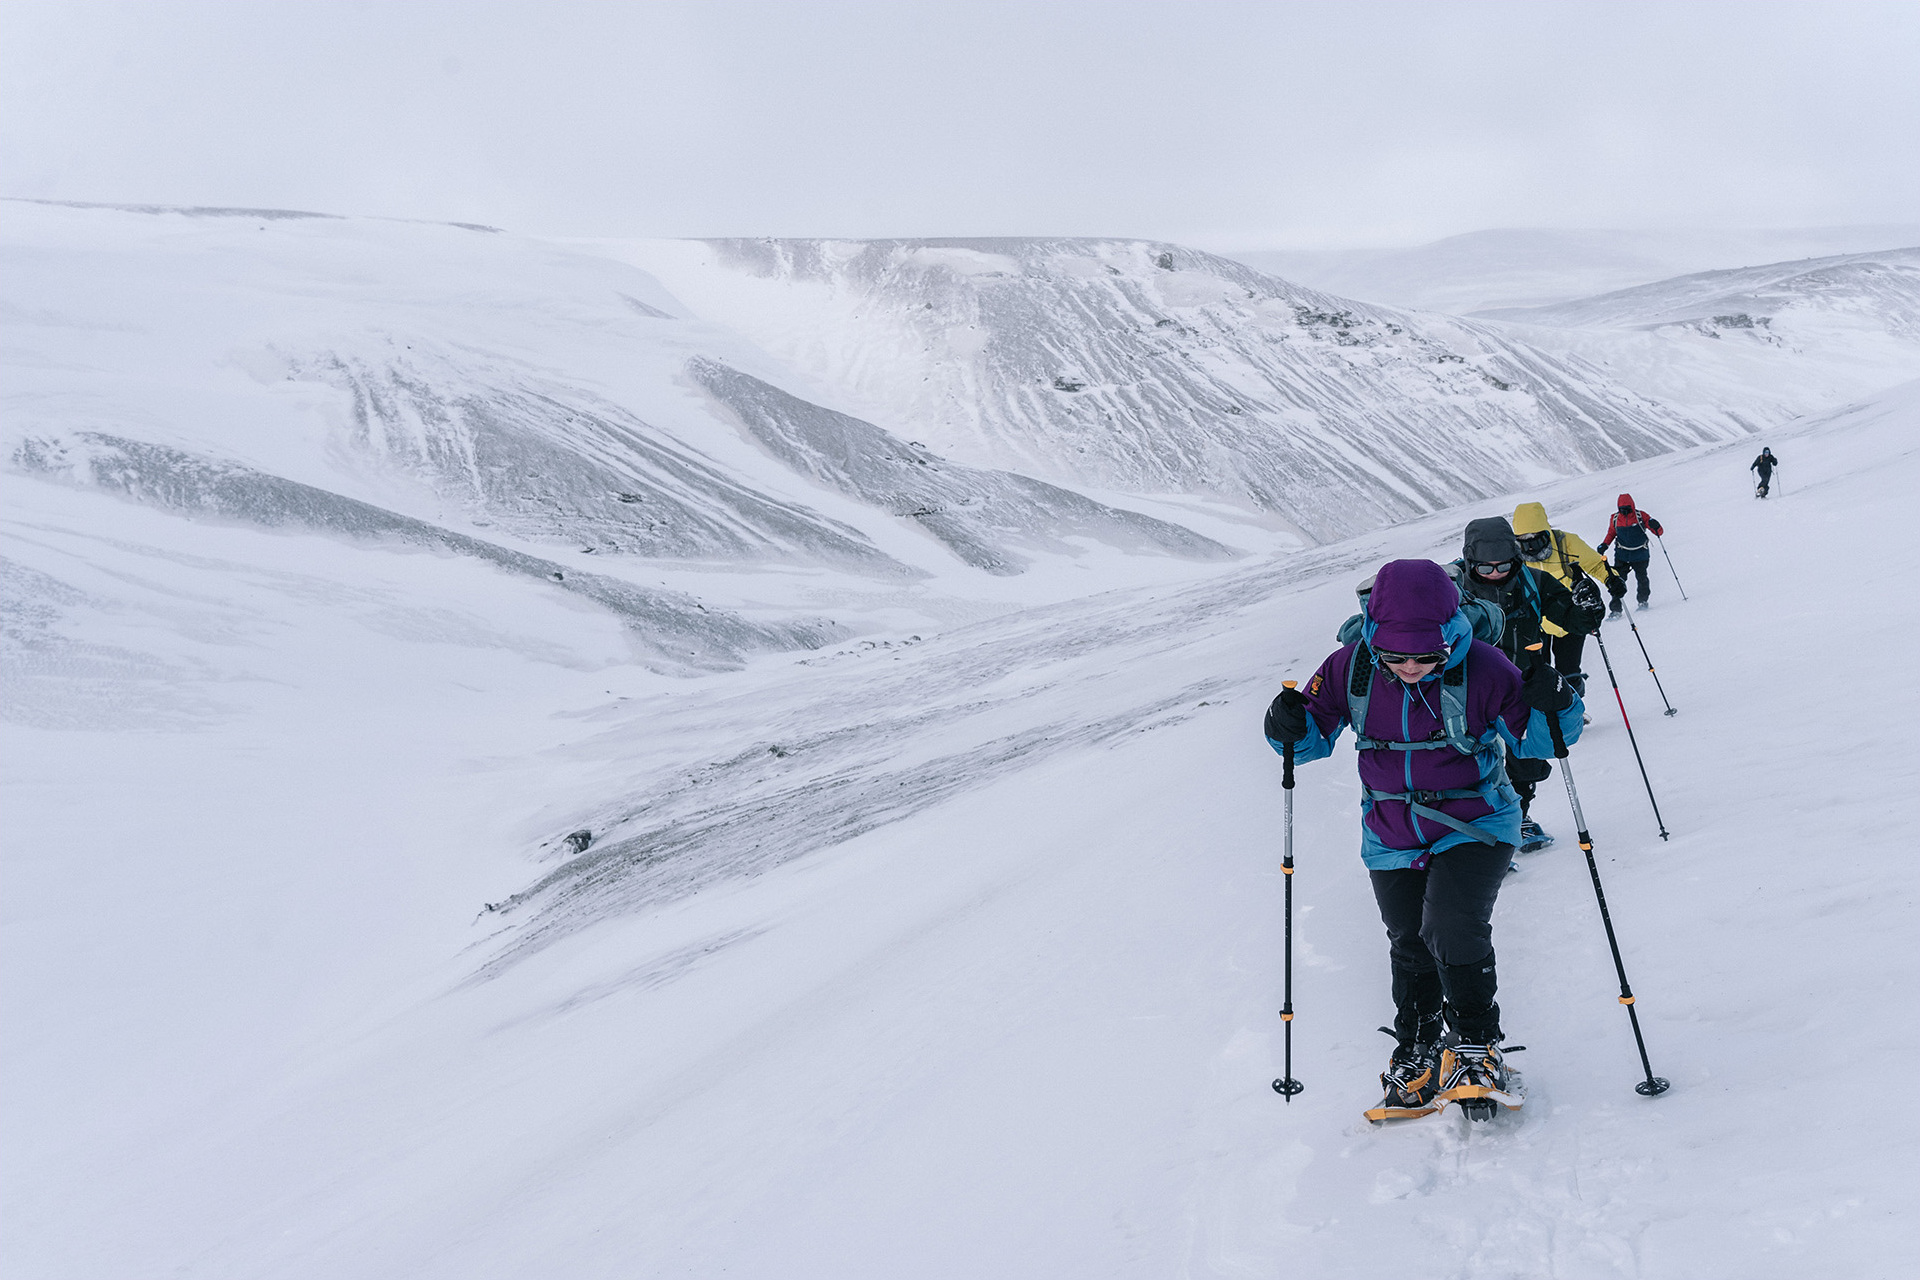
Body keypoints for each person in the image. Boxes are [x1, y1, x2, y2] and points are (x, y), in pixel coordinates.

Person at [1263, 559, 1584, 1120]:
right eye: (1397, 657)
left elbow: (1539, 743)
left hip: (1478, 823)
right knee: (1410, 941)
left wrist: (1557, 699)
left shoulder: (1484, 666)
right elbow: (1308, 743)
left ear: (1447, 635)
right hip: (1391, 832)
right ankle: (1416, 1048)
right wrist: (1283, 723)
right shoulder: (1351, 667)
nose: (1411, 667)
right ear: (1375, 637)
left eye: (1425, 657)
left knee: (1452, 928)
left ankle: (1477, 1047)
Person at [1451, 516, 1602, 852]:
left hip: (1521, 686)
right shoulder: (1449, 584)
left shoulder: (1534, 582)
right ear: (1469, 559)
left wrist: (1587, 609)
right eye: (1485, 568)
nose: (1495, 574)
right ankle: (1473, 832)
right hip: (1463, 692)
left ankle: (1519, 818)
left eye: (1503, 565)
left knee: (1527, 756)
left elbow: (1571, 619)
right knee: (1467, 760)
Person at [1510, 501, 1619, 693]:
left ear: (1546, 532)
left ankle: (1573, 711)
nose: (1531, 548)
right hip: (1536, 624)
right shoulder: (1513, 555)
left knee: (1569, 673)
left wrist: (1612, 579)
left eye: (1536, 540)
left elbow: (1594, 564)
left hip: (1569, 619)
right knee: (1537, 675)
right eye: (1524, 542)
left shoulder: (1566, 542)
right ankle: (1546, 717)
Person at [1595, 494, 1664, 612]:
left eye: (1627, 508)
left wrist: (1656, 526)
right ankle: (1616, 609)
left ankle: (1643, 602)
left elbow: (1659, 533)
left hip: (1640, 555)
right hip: (1622, 555)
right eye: (1621, 509)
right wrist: (1605, 544)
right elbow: (1611, 533)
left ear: (1632, 506)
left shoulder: (1641, 516)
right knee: (1618, 582)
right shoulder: (1615, 518)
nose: (1624, 511)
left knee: (1642, 579)